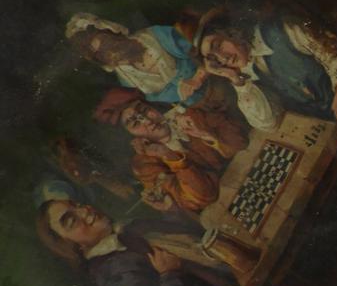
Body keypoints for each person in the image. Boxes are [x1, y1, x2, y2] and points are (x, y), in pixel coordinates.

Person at [36, 198, 239, 286]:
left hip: (229, 263)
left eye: (78, 205)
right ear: (73, 246)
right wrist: (169, 274)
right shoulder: (111, 271)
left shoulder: (126, 230)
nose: (84, 210)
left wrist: (171, 211)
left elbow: (187, 241)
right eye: (72, 221)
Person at [194, 10, 337, 132]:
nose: (223, 58)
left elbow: (328, 48)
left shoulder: (277, 32)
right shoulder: (249, 75)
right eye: (213, 59)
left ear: (231, 31)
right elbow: (268, 124)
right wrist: (236, 80)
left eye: (218, 45)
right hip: (331, 126)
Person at [93, 88, 247, 214]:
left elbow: (242, 143)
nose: (147, 120)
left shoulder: (190, 116)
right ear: (132, 137)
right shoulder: (145, 164)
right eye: (134, 123)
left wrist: (205, 134)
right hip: (229, 205)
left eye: (145, 110)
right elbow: (203, 196)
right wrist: (168, 155)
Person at [65, 13, 209, 107]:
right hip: (198, 108)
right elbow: (167, 100)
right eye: (101, 54)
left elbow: (204, 53)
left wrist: (197, 78)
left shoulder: (156, 36)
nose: (111, 52)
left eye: (107, 43)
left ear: (115, 32)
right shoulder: (127, 79)